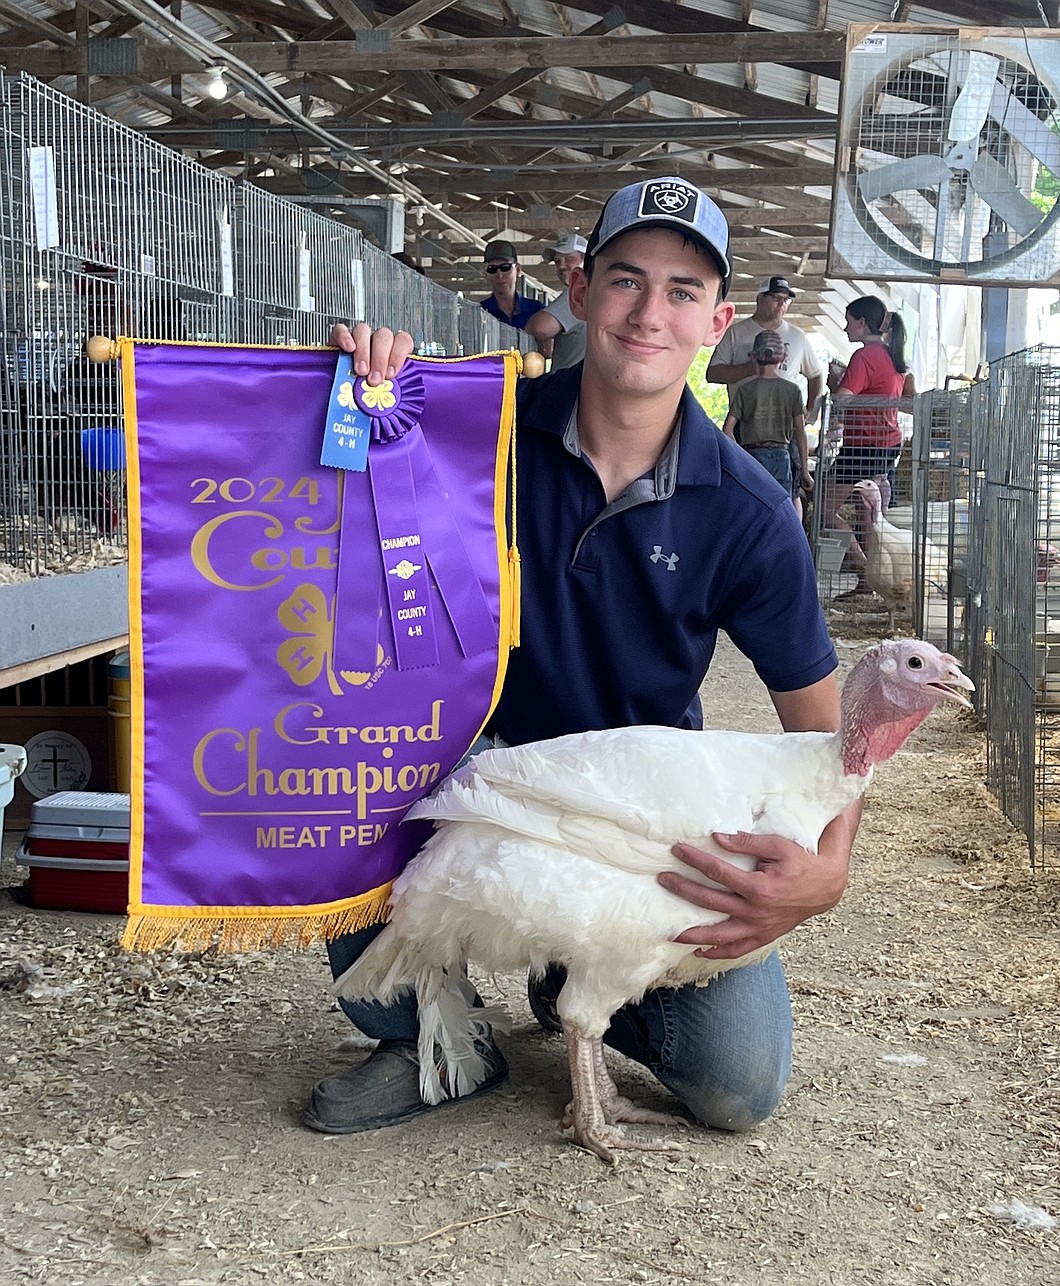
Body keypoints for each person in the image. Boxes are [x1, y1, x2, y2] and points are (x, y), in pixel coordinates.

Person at [307, 175, 862, 1140]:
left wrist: (830, 871)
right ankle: (424, 1034)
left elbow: (827, 732)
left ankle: (576, 979)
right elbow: (323, 514)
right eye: (626, 280)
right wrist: (354, 398)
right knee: (346, 771)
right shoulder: (473, 429)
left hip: (633, 816)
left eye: (683, 292)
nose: (650, 313)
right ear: (579, 287)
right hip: (477, 773)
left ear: (716, 322)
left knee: (738, 1086)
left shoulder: (749, 513)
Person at [822, 296, 916, 596]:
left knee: (824, 508)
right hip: (888, 445)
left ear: (862, 323)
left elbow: (843, 398)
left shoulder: (865, 357)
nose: (845, 326)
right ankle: (872, 581)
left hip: (862, 445)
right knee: (871, 516)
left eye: (848, 320)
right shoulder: (895, 356)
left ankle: (863, 568)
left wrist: (835, 382)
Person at [706, 276, 823, 517]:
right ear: (760, 299)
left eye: (786, 300)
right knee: (753, 489)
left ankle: (786, 542)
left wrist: (808, 408)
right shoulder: (737, 333)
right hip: (747, 424)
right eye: (776, 298)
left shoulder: (798, 336)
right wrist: (748, 369)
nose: (781, 304)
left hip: (784, 428)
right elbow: (713, 373)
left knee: (787, 491)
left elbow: (815, 374)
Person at [725, 330, 807, 506]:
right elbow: (800, 432)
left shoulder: (745, 390)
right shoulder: (792, 391)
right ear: (783, 357)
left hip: (753, 456)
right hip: (782, 455)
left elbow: (727, 430)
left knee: (753, 506)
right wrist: (805, 471)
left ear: (754, 357)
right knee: (781, 509)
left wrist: (740, 457)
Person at [524, 232, 588, 369]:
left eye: (569, 258)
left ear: (586, 260)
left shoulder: (580, 292)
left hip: (572, 386)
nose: (561, 266)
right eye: (557, 261)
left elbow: (540, 327)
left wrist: (533, 332)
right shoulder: (597, 291)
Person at [478, 239, 545, 330]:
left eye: (505, 267)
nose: (500, 275)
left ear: (518, 270)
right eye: (492, 269)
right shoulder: (479, 312)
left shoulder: (537, 310)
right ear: (486, 274)